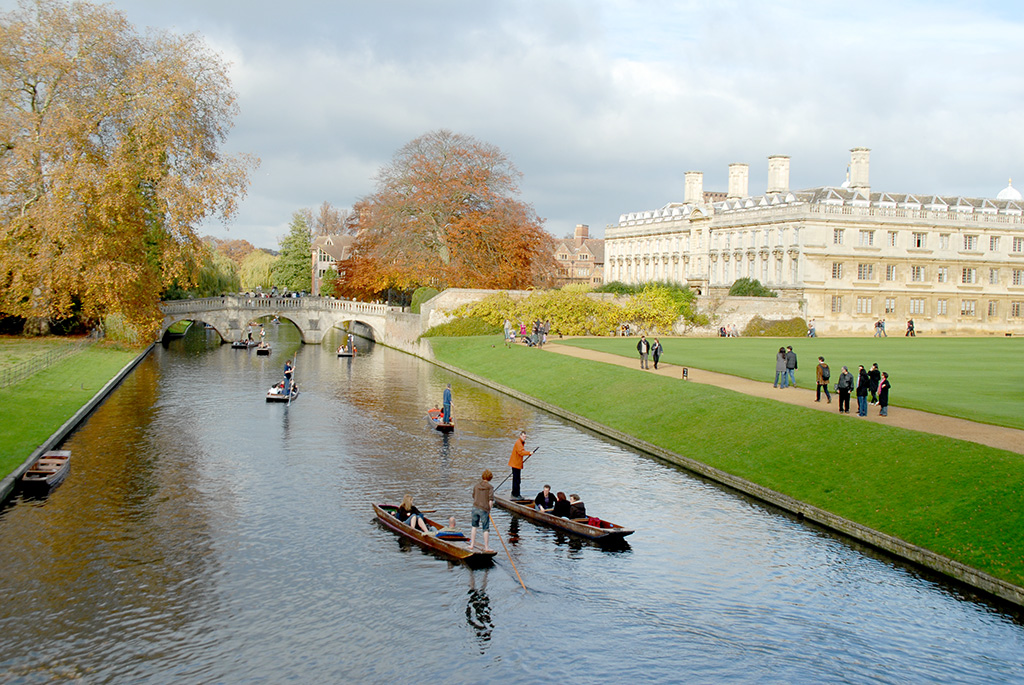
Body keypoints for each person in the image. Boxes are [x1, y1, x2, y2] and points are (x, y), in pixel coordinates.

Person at [470, 469, 494, 552]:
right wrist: (489, 510)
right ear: (490, 478)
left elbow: (473, 496)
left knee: (474, 526)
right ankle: (486, 547)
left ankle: (472, 545)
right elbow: (490, 500)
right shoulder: (490, 487)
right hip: (484, 509)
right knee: (485, 529)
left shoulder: (476, 486)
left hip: (475, 507)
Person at [508, 431, 531, 499]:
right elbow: (521, 452)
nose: (524, 438)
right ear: (520, 436)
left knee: (517, 479)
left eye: (525, 437)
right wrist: (529, 453)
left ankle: (515, 493)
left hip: (517, 464)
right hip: (515, 464)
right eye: (523, 436)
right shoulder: (518, 443)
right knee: (516, 480)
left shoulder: (521, 442)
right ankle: (516, 494)